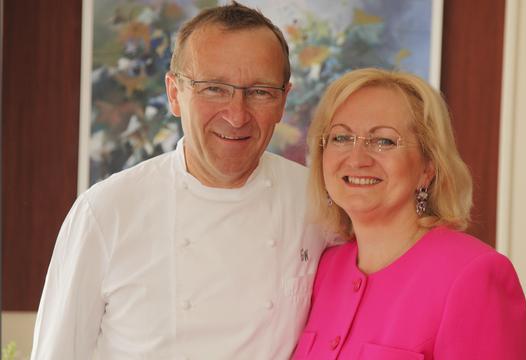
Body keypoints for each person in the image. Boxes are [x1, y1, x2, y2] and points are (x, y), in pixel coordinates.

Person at [31, 3, 326, 359]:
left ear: (283, 102)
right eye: (214, 88)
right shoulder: (106, 211)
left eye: (260, 91)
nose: (236, 115)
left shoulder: (318, 201)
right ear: (174, 94)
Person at [292, 68, 526, 359]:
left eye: (384, 141)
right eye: (341, 138)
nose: (356, 159)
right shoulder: (325, 267)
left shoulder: (473, 274)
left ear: (427, 168)